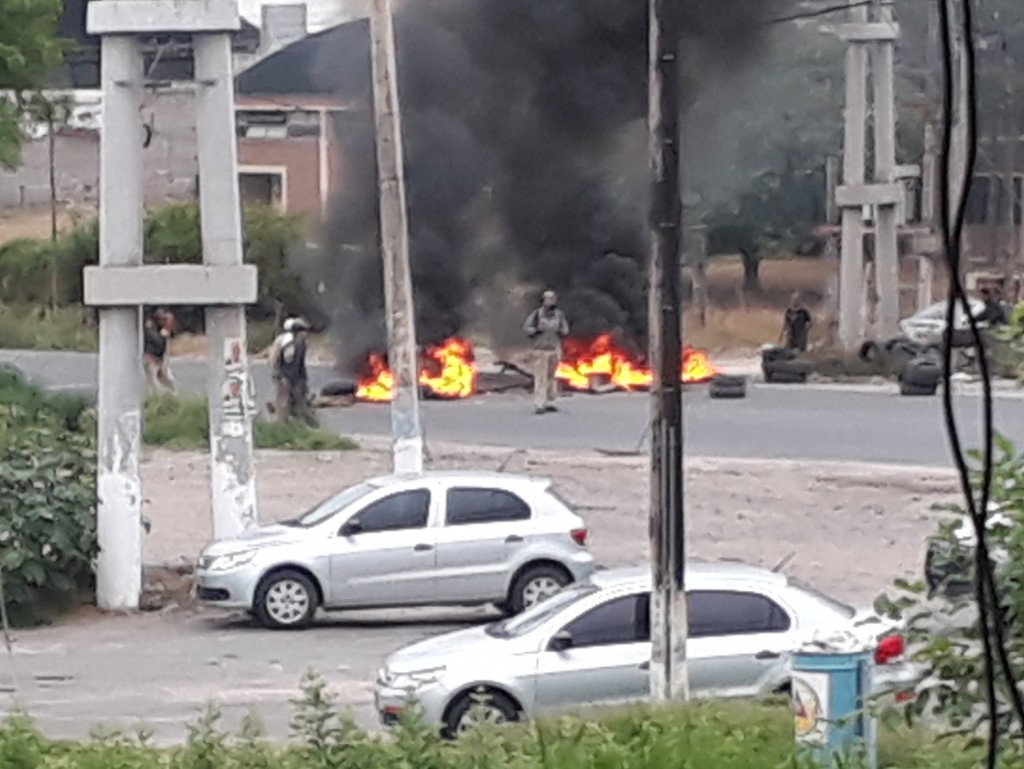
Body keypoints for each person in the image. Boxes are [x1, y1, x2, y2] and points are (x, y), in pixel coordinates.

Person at [523, 290, 569, 414]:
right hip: (540, 350)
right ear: (543, 300)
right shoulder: (537, 314)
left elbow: (565, 330)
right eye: (548, 299)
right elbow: (527, 328)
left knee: (551, 377)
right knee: (540, 377)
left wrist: (559, 330)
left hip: (554, 350)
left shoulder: (559, 315)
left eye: (552, 299)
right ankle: (539, 403)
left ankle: (550, 402)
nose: (550, 301)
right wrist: (537, 330)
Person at [274, 317, 315, 425]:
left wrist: (303, 378)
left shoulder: (302, 344)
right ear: (298, 332)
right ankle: (281, 424)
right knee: (285, 402)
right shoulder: (291, 345)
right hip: (287, 378)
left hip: (297, 378)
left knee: (299, 401)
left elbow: (300, 364)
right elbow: (286, 363)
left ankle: (297, 423)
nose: (307, 333)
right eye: (304, 331)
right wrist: (284, 378)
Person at [143, 308, 175, 392]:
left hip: (159, 358)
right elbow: (157, 341)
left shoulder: (160, 328)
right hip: (151, 357)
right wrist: (165, 331)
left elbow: (170, 337)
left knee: (167, 381)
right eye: (162, 320)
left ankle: (170, 395)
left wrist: (168, 328)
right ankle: (156, 396)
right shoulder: (150, 326)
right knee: (154, 382)